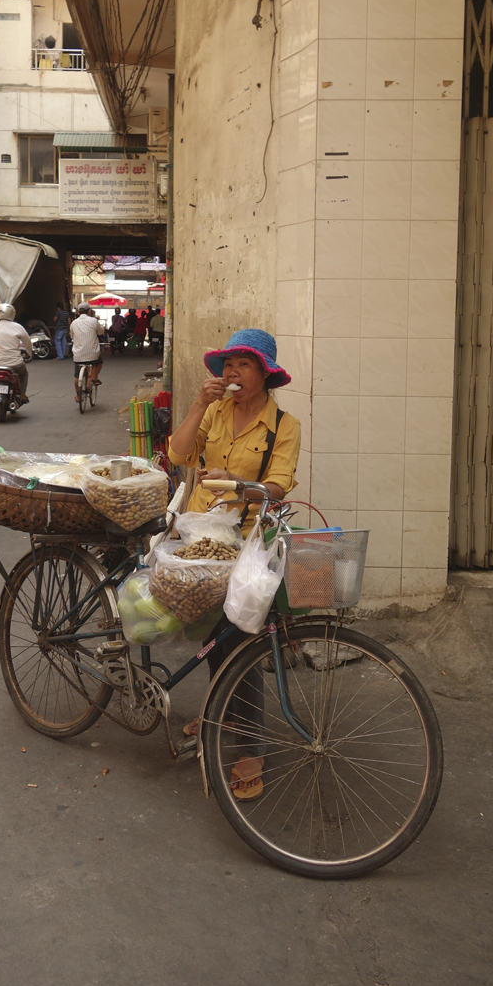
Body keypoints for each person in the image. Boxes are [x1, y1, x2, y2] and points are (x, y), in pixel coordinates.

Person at [168, 329, 301, 800]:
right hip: (203, 536)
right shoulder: (217, 410)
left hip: (248, 542)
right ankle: (213, 712)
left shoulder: (284, 425)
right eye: (228, 364)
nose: (232, 372)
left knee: (243, 640)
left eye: (244, 364)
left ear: (265, 373)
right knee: (212, 635)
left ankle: (251, 746)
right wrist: (196, 406)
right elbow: (178, 453)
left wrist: (238, 481)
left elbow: (279, 486)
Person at [0, 303, 32, 402]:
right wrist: (29, 352)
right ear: (12, 313)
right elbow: (27, 342)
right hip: (16, 364)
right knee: (24, 374)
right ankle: (23, 395)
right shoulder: (18, 327)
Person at [69, 302, 105, 401]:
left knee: (77, 375)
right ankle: (94, 376)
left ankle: (78, 395)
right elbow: (101, 332)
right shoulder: (94, 321)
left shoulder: (73, 323)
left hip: (78, 355)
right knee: (99, 362)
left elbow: (71, 336)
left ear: (78, 312)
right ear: (89, 311)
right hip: (93, 354)